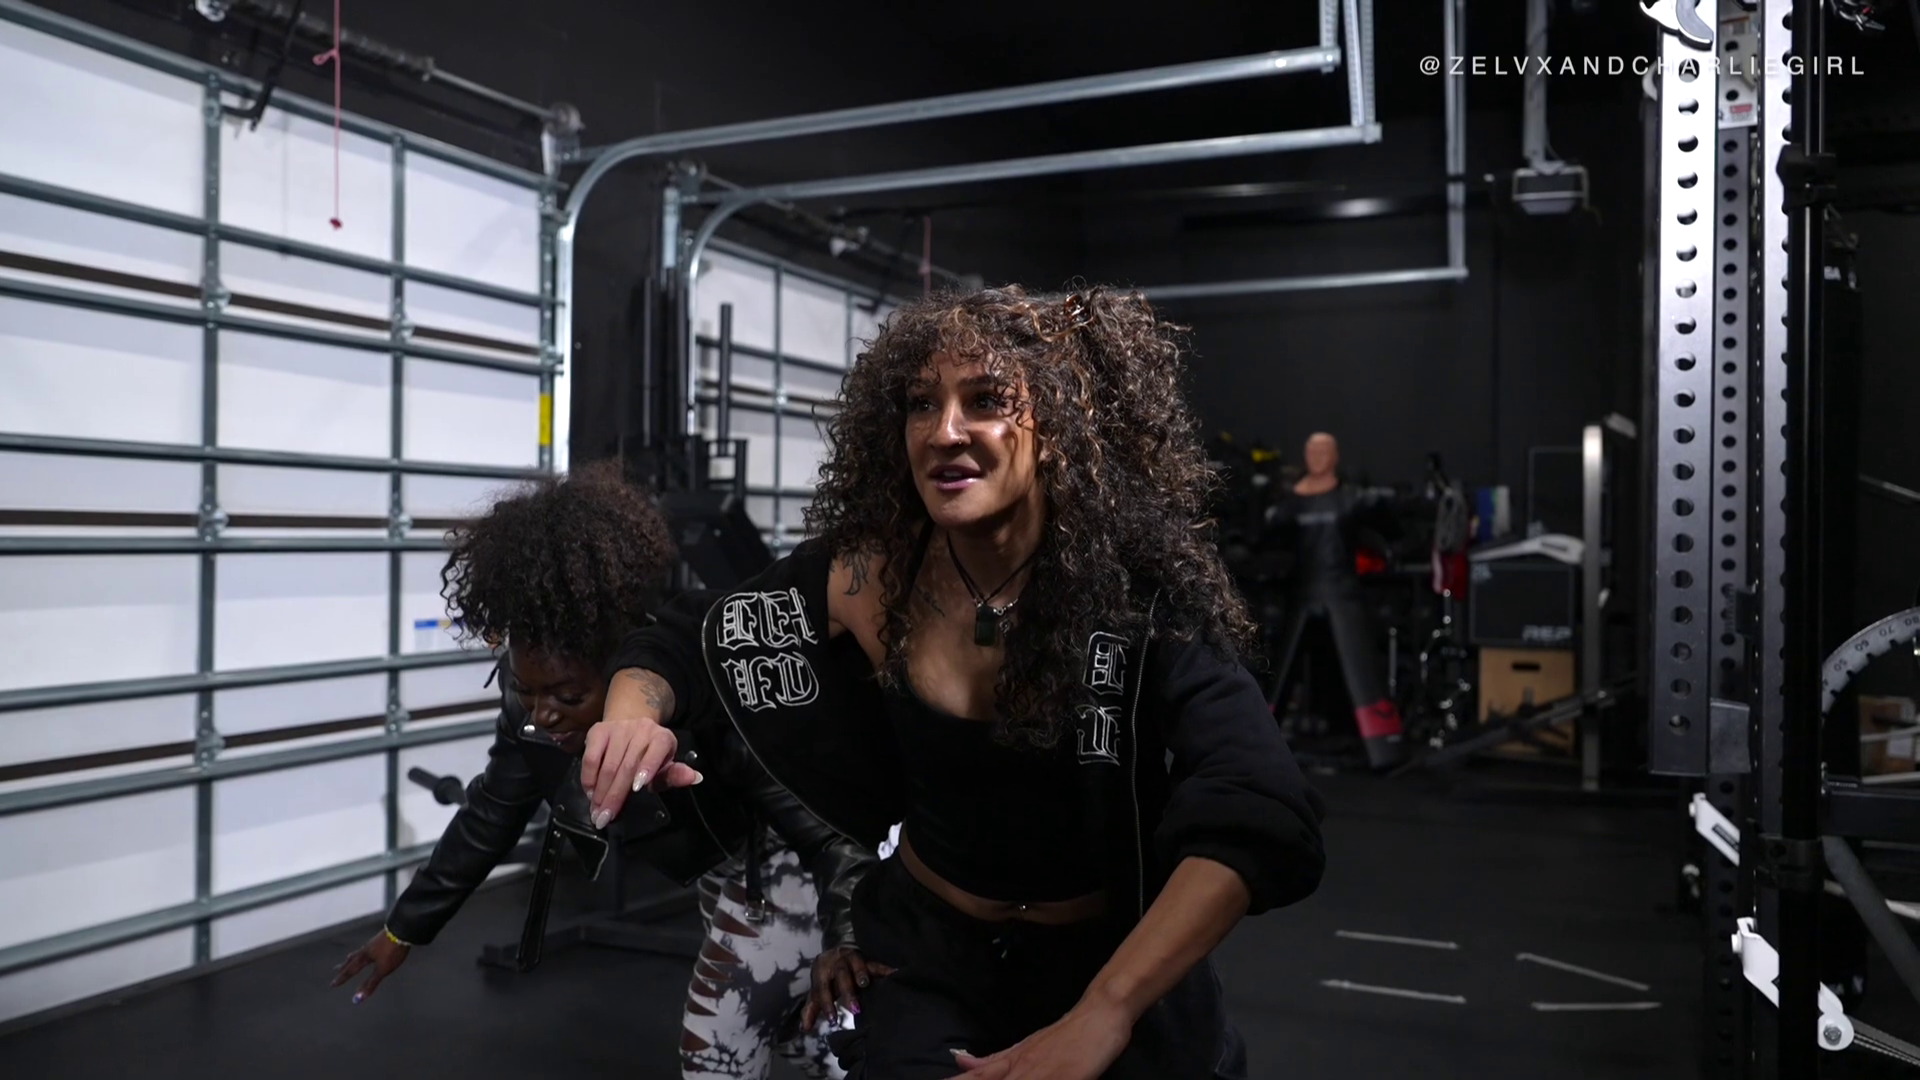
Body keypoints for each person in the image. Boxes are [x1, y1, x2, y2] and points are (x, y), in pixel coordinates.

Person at [584, 285, 1328, 1079]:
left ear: (1059, 424)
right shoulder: (872, 577)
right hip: (927, 955)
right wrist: (631, 718)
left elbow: (1257, 802)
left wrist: (1107, 1010)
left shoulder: (1135, 596)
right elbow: (687, 639)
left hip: (1106, 958)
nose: (945, 432)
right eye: (921, 404)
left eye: (987, 400)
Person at [326, 462, 871, 1080]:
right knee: (799, 1034)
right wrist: (403, 930)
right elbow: (492, 812)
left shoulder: (699, 692)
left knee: (714, 1049)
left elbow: (822, 832)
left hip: (782, 870)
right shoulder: (531, 709)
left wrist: (850, 935)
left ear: (623, 668)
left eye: (567, 694)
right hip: (725, 874)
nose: (544, 713)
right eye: (527, 691)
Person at [1264, 431, 1410, 770]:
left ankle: (1381, 747)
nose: (1316, 457)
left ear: (1335, 456)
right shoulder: (1290, 504)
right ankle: (1264, 741)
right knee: (1285, 669)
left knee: (1359, 668)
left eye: (1323, 451)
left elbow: (1392, 527)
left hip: (1342, 592)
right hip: (1303, 592)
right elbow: (1267, 538)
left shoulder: (1352, 499)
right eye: (1310, 450)